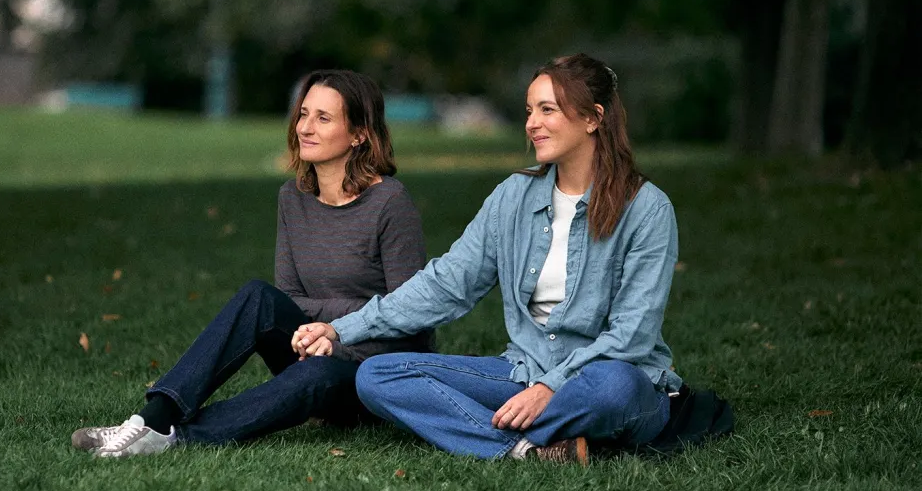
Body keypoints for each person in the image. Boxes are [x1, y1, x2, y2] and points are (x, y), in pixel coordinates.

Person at [292, 53, 684, 464]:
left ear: (593, 118)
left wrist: (551, 387)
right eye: (530, 110)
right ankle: (527, 449)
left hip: (608, 381)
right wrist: (341, 330)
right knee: (377, 375)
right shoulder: (512, 196)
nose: (532, 123)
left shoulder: (647, 208)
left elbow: (632, 335)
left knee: (614, 385)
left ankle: (488, 431)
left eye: (547, 109)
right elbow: (445, 284)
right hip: (520, 374)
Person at [76, 70, 432, 457]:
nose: (305, 128)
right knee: (257, 297)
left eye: (323, 118)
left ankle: (177, 436)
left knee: (317, 370)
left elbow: (410, 319)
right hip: (310, 347)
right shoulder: (293, 199)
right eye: (303, 114)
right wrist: (322, 328)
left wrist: (334, 331)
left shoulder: (390, 203)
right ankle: (151, 419)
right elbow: (289, 297)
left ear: (360, 133)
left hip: (374, 377)